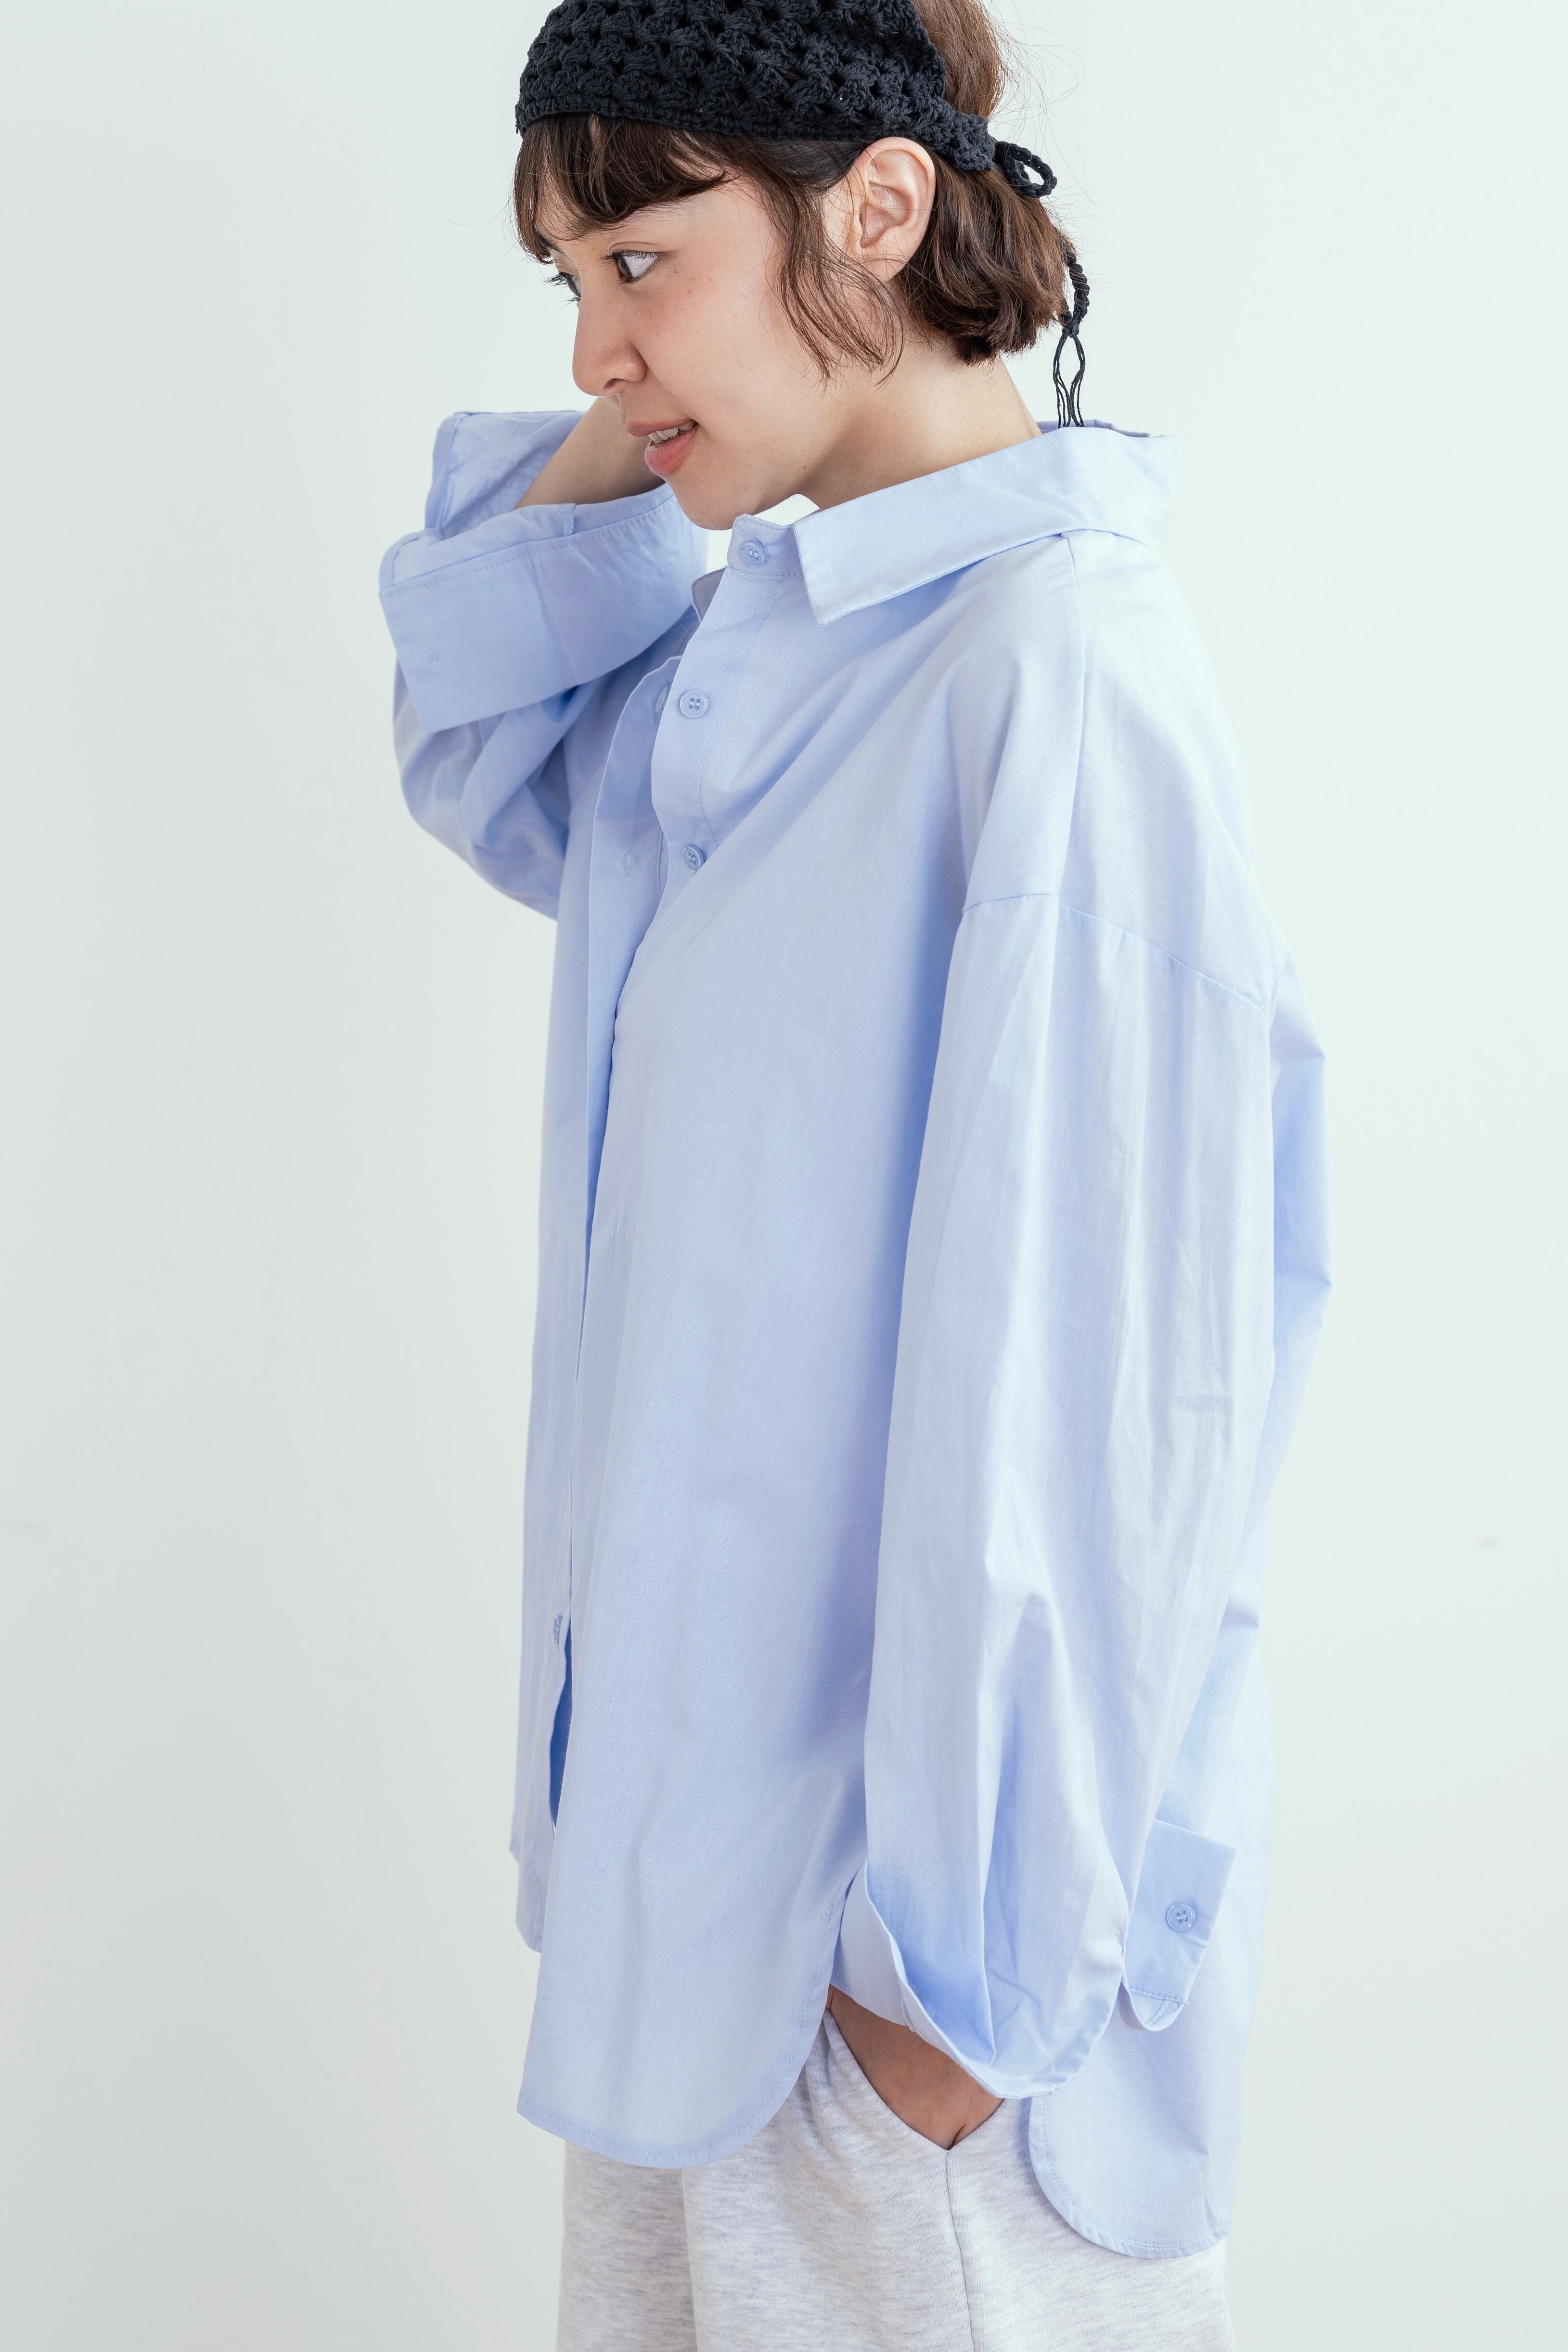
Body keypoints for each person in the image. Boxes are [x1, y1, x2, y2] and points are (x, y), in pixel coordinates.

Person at [378, 0, 1331, 2340]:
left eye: (638, 258)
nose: (594, 350)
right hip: (690, 1951)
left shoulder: (1053, 674)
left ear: (880, 210)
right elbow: (474, 726)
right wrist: (674, 357)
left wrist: (948, 1981)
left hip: (911, 2007)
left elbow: (1107, 1387)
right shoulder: (758, 665)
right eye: (561, 282)